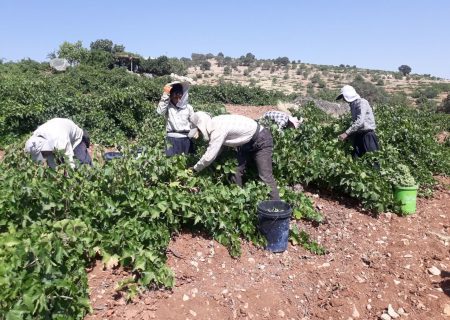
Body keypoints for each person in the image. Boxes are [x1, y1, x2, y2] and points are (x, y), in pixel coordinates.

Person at [189, 112, 280, 200]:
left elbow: (209, 157)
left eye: (199, 130)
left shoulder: (217, 129)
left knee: (265, 176)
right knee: (235, 171)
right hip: (247, 142)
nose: (200, 133)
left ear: (202, 125)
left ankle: (277, 208)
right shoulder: (215, 122)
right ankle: (239, 200)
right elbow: (218, 148)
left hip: (261, 139)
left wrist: (195, 169)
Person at [24, 118, 92, 169]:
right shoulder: (34, 139)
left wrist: (70, 181)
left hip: (76, 140)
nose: (43, 155)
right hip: (56, 137)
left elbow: (70, 162)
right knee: (56, 163)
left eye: (43, 153)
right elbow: (50, 160)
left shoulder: (60, 139)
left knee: (83, 165)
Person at [336, 85, 379, 158]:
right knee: (356, 160)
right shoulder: (353, 104)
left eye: (343, 97)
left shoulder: (361, 102)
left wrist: (346, 133)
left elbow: (360, 122)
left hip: (367, 136)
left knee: (373, 160)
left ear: (348, 95)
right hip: (358, 135)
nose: (343, 99)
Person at [157, 80, 195, 156]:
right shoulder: (168, 106)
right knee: (171, 161)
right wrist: (165, 95)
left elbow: (193, 122)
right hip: (171, 139)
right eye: (175, 97)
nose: (177, 100)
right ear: (171, 96)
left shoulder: (189, 108)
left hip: (186, 139)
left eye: (179, 97)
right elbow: (160, 112)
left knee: (186, 162)